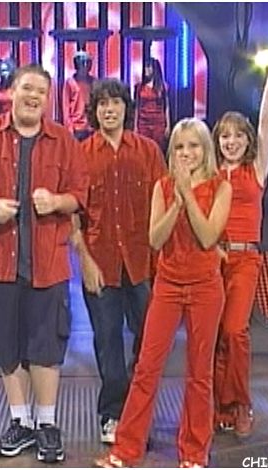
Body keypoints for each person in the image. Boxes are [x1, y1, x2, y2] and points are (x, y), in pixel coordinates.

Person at [0, 64, 89, 463]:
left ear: (49, 99)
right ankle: (20, 422)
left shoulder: (63, 141)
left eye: (41, 91)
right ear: (11, 91)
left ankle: (47, 424)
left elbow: (80, 195)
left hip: (47, 264)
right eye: (27, 88)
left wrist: (56, 202)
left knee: (46, 347)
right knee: (7, 348)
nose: (33, 96)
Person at [94, 117, 232, 468]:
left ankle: (194, 452)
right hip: (168, 286)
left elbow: (207, 237)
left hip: (205, 287)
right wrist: (176, 202)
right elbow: (155, 239)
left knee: (199, 373)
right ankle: (126, 449)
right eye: (180, 147)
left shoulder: (221, 187)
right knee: (146, 368)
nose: (187, 153)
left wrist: (189, 195)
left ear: (205, 149)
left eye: (194, 146)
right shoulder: (162, 186)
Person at [70, 78, 166, 444]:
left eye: (116, 103)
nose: (109, 110)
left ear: (127, 108)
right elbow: (73, 214)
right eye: (102, 104)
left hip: (142, 263)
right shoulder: (81, 155)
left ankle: (137, 410)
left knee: (149, 340)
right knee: (107, 340)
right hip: (100, 264)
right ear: (94, 112)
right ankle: (112, 413)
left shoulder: (148, 151)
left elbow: (164, 203)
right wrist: (85, 259)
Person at [212, 46, 268, 438]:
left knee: (235, 332)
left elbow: (266, 121)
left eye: (237, 136)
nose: (231, 142)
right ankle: (220, 407)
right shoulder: (211, 173)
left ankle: (241, 403)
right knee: (215, 336)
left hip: (245, 260)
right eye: (225, 136)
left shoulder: (254, 171)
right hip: (213, 261)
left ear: (247, 141)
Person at [134, 57, 171, 155]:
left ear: (154, 69)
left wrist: (168, 125)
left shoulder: (162, 86)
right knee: (144, 149)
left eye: (148, 67)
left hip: (158, 123)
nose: (146, 69)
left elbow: (166, 107)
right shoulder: (139, 87)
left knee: (158, 149)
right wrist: (135, 126)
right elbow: (137, 107)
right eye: (145, 67)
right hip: (143, 123)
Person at [63, 50, 95, 141]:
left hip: (91, 127)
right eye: (82, 63)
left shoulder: (94, 82)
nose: (85, 66)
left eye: (88, 63)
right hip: (76, 128)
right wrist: (70, 128)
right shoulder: (70, 82)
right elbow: (66, 108)